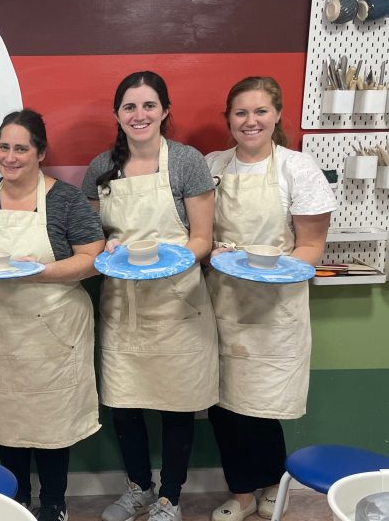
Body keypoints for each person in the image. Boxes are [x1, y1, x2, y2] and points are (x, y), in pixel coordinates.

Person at [0, 109, 104, 521]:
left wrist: (37, 272)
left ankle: (53, 503)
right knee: (6, 418)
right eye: (4, 147)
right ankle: (14, 501)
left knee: (52, 422)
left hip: (52, 332)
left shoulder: (65, 199)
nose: (10, 157)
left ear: (40, 153)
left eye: (21, 148)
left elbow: (93, 258)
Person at [82, 71, 217, 521]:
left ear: (165, 111)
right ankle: (139, 487)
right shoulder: (101, 168)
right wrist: (107, 245)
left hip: (178, 301)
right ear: (117, 114)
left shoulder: (186, 162)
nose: (139, 115)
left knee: (177, 403)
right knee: (125, 402)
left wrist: (166, 262)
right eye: (130, 107)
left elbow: (202, 239)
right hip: (123, 302)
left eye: (148, 105)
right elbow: (92, 236)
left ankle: (170, 497)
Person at [205, 77, 335, 521]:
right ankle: (241, 493)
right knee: (223, 405)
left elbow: (311, 246)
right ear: (228, 118)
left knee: (260, 406)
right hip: (222, 300)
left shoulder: (297, 168)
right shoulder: (213, 165)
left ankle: (271, 485)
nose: (251, 121)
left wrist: (270, 270)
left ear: (277, 115)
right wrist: (215, 252)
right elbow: (198, 231)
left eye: (260, 111)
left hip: (274, 306)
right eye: (241, 112)